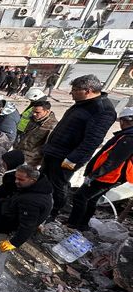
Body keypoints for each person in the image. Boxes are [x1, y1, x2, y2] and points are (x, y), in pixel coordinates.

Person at [41, 75, 117, 220]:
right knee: (44, 179)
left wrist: (72, 159)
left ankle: (52, 212)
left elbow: (92, 140)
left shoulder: (102, 110)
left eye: (75, 90)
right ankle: (39, 205)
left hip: (67, 156)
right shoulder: (83, 103)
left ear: (87, 91)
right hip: (54, 151)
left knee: (58, 185)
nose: (71, 93)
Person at [66, 108, 133, 231]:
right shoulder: (126, 136)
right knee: (91, 199)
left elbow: (113, 161)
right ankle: (81, 224)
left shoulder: (129, 138)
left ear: (126, 120)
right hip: (108, 175)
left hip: (109, 176)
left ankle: (73, 224)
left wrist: (94, 175)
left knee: (81, 197)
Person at [14, 100, 58, 167]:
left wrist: (35, 163)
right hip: (20, 153)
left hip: (32, 161)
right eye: (33, 111)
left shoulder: (52, 126)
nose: (34, 114)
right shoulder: (33, 119)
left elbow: (46, 148)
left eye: (37, 112)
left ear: (47, 111)